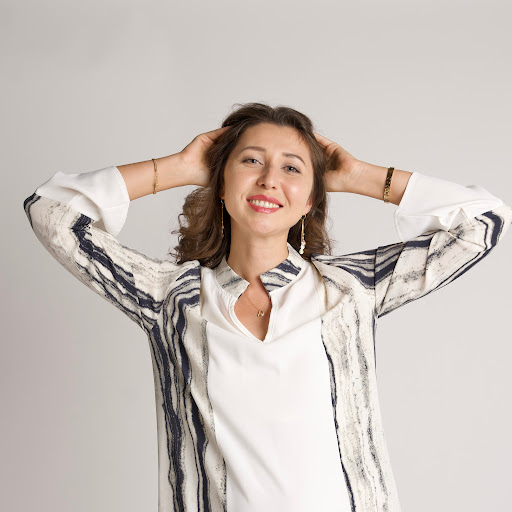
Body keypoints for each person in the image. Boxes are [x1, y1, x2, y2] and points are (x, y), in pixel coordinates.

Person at [23, 102, 511, 512]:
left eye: (292, 168)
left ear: (311, 199)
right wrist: (181, 167)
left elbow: (482, 223)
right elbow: (52, 212)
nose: (269, 179)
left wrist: (360, 176)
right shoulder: (171, 297)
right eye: (251, 161)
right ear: (220, 182)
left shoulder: (350, 290)